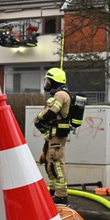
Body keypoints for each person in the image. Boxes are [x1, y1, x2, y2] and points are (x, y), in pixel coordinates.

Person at [34, 67, 72, 204]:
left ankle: (61, 195)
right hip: (52, 134)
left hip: (57, 134)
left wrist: (38, 117)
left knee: (57, 162)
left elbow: (52, 111)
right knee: (50, 163)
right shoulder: (57, 94)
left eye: (49, 80)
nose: (47, 83)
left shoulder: (61, 94)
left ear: (55, 81)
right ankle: (54, 190)